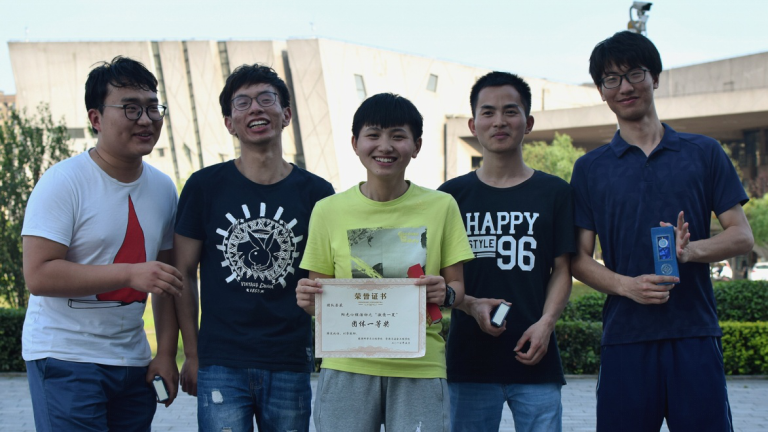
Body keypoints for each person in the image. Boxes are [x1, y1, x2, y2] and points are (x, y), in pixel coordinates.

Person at [570, 31, 754, 432]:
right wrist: (627, 286)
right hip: (625, 337)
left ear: (655, 77)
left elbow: (742, 235)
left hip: (695, 333)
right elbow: (578, 259)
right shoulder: (590, 168)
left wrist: (691, 251)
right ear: (601, 92)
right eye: (611, 79)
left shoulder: (703, 152)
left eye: (634, 73)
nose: (625, 87)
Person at [295, 93, 474, 432]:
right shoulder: (328, 210)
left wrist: (446, 293)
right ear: (355, 143)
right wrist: (308, 299)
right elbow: (318, 300)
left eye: (398, 135)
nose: (385, 146)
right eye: (373, 134)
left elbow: (457, 288)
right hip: (347, 363)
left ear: (416, 145)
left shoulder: (442, 206)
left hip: (420, 366)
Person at [21, 56, 182, 431]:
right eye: (130, 108)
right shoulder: (63, 182)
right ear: (95, 118)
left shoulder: (163, 188)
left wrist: (165, 353)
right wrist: (129, 273)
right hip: (65, 357)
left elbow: (166, 280)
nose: (146, 120)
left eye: (153, 107)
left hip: (132, 362)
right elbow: (38, 275)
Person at [173, 64, 334, 432]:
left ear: (286, 114)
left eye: (266, 99)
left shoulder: (318, 193)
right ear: (229, 123)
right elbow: (182, 273)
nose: (256, 109)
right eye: (242, 103)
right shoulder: (204, 186)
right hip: (221, 361)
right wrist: (192, 354)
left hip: (289, 359)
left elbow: (327, 281)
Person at [438, 71, 575, 432]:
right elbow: (439, 279)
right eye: (488, 112)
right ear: (473, 125)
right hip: (468, 364)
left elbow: (563, 268)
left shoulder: (555, 192)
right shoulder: (449, 196)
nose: (499, 121)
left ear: (528, 123)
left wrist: (546, 324)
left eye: (510, 111)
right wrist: (470, 305)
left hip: (536, 359)